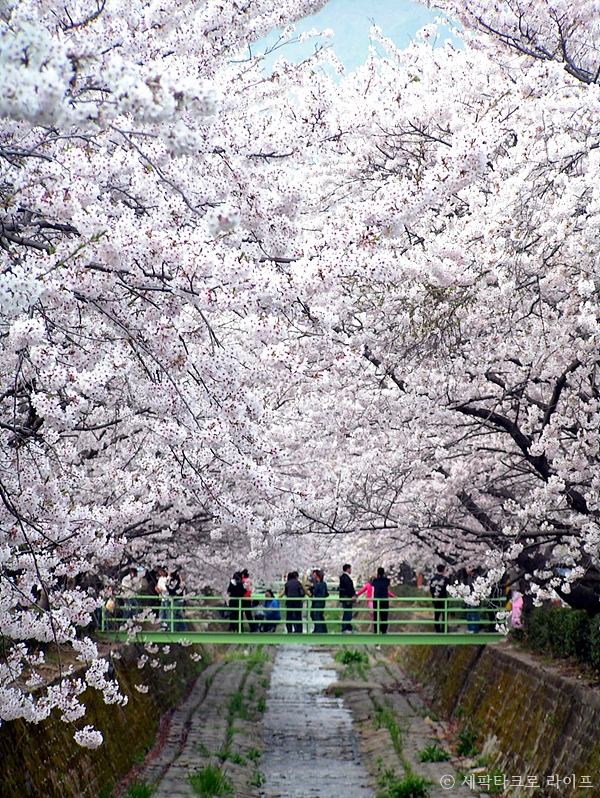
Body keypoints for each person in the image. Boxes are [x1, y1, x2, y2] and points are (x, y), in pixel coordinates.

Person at [370, 567, 396, 634]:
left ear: (377, 573)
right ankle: (384, 630)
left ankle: (376, 630)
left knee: (376, 615)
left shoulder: (375, 581)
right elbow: (388, 583)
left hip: (377, 600)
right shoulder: (386, 580)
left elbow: (371, 583)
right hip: (385, 600)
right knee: (384, 616)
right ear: (384, 573)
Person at [430, 564, 449, 633]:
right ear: (443, 570)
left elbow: (431, 589)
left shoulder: (433, 579)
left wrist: (434, 596)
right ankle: (444, 629)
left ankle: (437, 628)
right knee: (444, 614)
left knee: (437, 614)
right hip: (444, 599)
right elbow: (448, 588)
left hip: (436, 599)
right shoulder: (445, 579)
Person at [338, 563, 357, 633]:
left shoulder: (343, 577)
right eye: (350, 569)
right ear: (348, 569)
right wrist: (352, 595)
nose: (351, 570)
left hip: (345, 597)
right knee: (348, 613)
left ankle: (349, 628)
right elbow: (348, 588)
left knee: (348, 613)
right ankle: (345, 628)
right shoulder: (346, 578)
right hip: (347, 598)